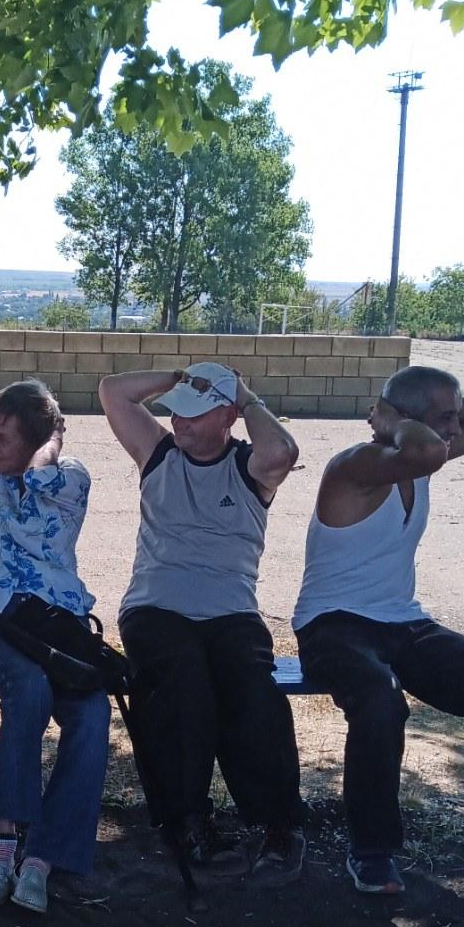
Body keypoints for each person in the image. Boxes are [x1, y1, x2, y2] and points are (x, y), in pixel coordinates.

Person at [293, 365, 464, 896]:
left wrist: (431, 408)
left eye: (456, 418)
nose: (456, 430)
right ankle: (371, 850)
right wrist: (397, 420)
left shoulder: (422, 455)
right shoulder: (357, 465)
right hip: (332, 625)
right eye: (446, 419)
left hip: (402, 620)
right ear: (409, 424)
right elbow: (429, 448)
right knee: (380, 699)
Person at [98, 361, 306, 877]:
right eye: (176, 413)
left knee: (252, 689)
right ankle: (188, 820)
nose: (179, 422)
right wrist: (179, 379)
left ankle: (278, 823)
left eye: (193, 414)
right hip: (155, 606)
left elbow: (284, 452)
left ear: (229, 417)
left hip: (231, 610)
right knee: (180, 684)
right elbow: (113, 391)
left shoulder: (251, 466)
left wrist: (244, 394)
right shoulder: (157, 452)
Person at [0, 379, 109, 914]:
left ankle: (45, 855)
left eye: (3, 437)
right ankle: (3, 839)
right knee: (29, 687)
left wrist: (49, 436)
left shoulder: (71, 477)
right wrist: (0, 407)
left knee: (92, 712)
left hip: (55, 628)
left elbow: (37, 474)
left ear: (37, 441)